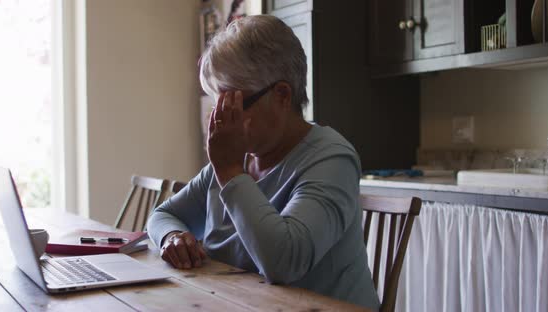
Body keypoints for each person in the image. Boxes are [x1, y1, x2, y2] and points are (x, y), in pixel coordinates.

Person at [147, 15, 379, 309]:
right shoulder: (239, 155)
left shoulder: (331, 158)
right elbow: (161, 215)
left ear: (281, 95)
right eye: (216, 104)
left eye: (231, 105)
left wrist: (230, 171)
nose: (219, 120)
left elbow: (285, 262)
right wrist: (173, 237)